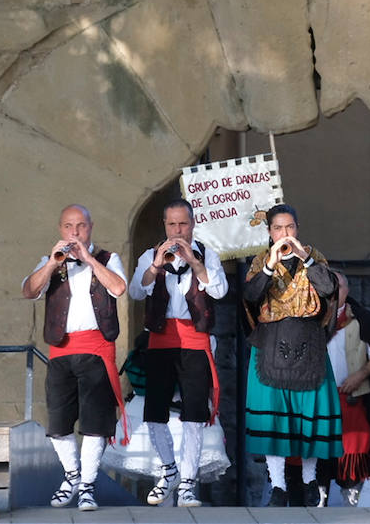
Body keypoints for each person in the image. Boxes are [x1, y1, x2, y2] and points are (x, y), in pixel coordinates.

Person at [20, 204, 128, 512]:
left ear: (90, 227)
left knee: (95, 424)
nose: (75, 232)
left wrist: (89, 259)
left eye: (80, 226)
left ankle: (88, 486)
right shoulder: (49, 261)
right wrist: (52, 264)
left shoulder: (108, 259)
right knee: (58, 423)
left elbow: (119, 288)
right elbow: (29, 291)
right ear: (60, 230)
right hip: (61, 351)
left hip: (95, 351)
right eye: (69, 227)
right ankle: (72, 475)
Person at [127, 199, 226, 508]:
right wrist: (157, 265)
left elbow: (220, 291)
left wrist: (196, 264)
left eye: (182, 224)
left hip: (195, 339)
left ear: (193, 224)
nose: (177, 230)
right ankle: (169, 469)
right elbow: (134, 291)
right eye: (172, 224)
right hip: (160, 338)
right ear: (165, 226)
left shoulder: (208, 255)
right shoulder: (149, 255)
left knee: (194, 415)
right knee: (154, 412)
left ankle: (187, 483)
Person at [242, 203, 342, 507]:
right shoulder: (262, 260)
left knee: (307, 415)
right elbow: (250, 296)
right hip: (271, 342)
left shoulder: (315, 257)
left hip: (309, 341)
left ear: (297, 229)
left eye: (290, 227)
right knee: (275, 419)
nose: (285, 233)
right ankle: (278, 486)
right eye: (278, 228)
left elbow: (328, 288)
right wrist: (271, 265)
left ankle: (311, 482)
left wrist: (306, 258)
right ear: (270, 233)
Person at [320, 271, 370, 506]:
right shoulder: (313, 321)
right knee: (321, 447)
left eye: (340, 286)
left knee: (354, 446)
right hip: (320, 397)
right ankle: (320, 496)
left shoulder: (362, 321)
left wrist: (360, 375)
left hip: (351, 396)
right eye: (330, 286)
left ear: (348, 290)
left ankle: (351, 495)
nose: (335, 291)